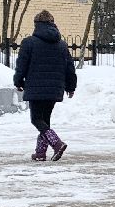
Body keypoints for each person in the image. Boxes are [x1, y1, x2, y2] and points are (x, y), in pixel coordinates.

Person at [13, 9, 77, 161]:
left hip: (35, 88)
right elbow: (70, 67)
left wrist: (18, 81)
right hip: (55, 89)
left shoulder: (29, 43)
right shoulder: (62, 45)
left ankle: (56, 143)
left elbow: (21, 65)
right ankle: (40, 153)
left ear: (36, 25)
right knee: (45, 120)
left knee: (36, 119)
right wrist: (71, 86)